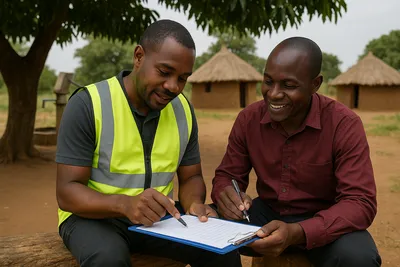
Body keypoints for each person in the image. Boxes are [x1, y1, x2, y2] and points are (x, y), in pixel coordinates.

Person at [55, 19, 241, 267]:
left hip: (159, 218)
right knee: (108, 259)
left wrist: (194, 204)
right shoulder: (89, 104)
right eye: (164, 72)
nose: (173, 86)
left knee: (222, 251)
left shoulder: (183, 110)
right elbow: (67, 192)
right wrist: (125, 204)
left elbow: (191, 178)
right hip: (92, 217)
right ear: (139, 56)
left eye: (183, 78)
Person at [210, 36, 382, 267]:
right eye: (268, 81)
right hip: (265, 216)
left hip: (324, 221)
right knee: (205, 228)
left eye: (289, 86)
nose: (274, 94)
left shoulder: (343, 124)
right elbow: (227, 175)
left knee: (359, 258)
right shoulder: (248, 119)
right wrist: (227, 196)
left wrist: (298, 231)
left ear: (315, 84)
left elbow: (360, 202)